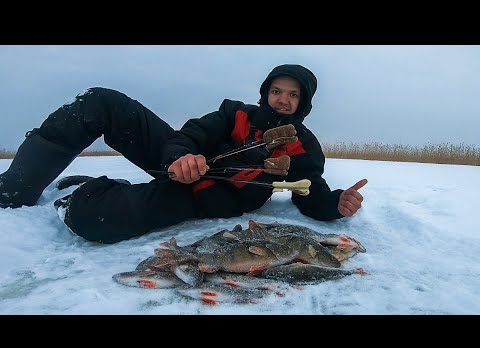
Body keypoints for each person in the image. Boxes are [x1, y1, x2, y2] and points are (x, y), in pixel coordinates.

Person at [0, 64, 367, 244]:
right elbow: (193, 134)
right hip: (178, 165)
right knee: (100, 102)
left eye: (293, 94)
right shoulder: (235, 113)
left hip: (205, 195)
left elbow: (309, 191)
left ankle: (80, 193)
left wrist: (336, 204)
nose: (283, 99)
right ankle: (16, 188)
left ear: (303, 102)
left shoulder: (304, 146)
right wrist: (178, 157)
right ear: (266, 92)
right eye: (276, 90)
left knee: (91, 217)